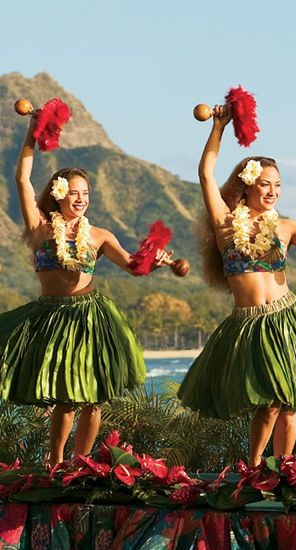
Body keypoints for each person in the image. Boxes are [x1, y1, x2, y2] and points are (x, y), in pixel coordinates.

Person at [0, 115, 171, 466]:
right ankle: (56, 462)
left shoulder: (100, 235)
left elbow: (132, 266)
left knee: (93, 398)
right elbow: (22, 178)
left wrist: (155, 261)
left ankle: (82, 463)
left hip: (90, 316)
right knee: (65, 397)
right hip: (51, 316)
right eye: (74, 193)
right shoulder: (41, 227)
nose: (80, 199)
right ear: (59, 193)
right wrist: (33, 134)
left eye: (85, 194)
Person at [178, 104, 296, 466]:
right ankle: (254, 466)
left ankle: (284, 470)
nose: (273, 191)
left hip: (288, 318)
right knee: (267, 406)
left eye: (278, 185)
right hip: (249, 324)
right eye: (265, 184)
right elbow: (205, 174)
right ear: (247, 185)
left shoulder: (287, 227)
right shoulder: (226, 224)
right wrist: (218, 127)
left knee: (288, 406)